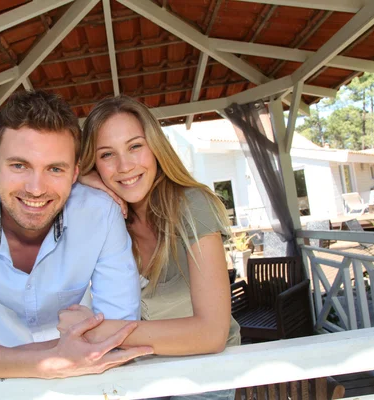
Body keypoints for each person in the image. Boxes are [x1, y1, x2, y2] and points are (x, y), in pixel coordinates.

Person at [0, 90, 153, 381]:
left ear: (75, 173)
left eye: (55, 169)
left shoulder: (101, 214)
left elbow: (119, 326)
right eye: (19, 165)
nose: (35, 188)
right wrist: (50, 361)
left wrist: (64, 359)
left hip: (88, 381)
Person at [58, 95, 241, 399]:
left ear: (155, 146)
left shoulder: (192, 205)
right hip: (140, 375)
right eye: (106, 155)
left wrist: (100, 330)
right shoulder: (107, 219)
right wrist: (82, 184)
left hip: (205, 377)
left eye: (135, 146)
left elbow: (212, 334)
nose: (124, 166)